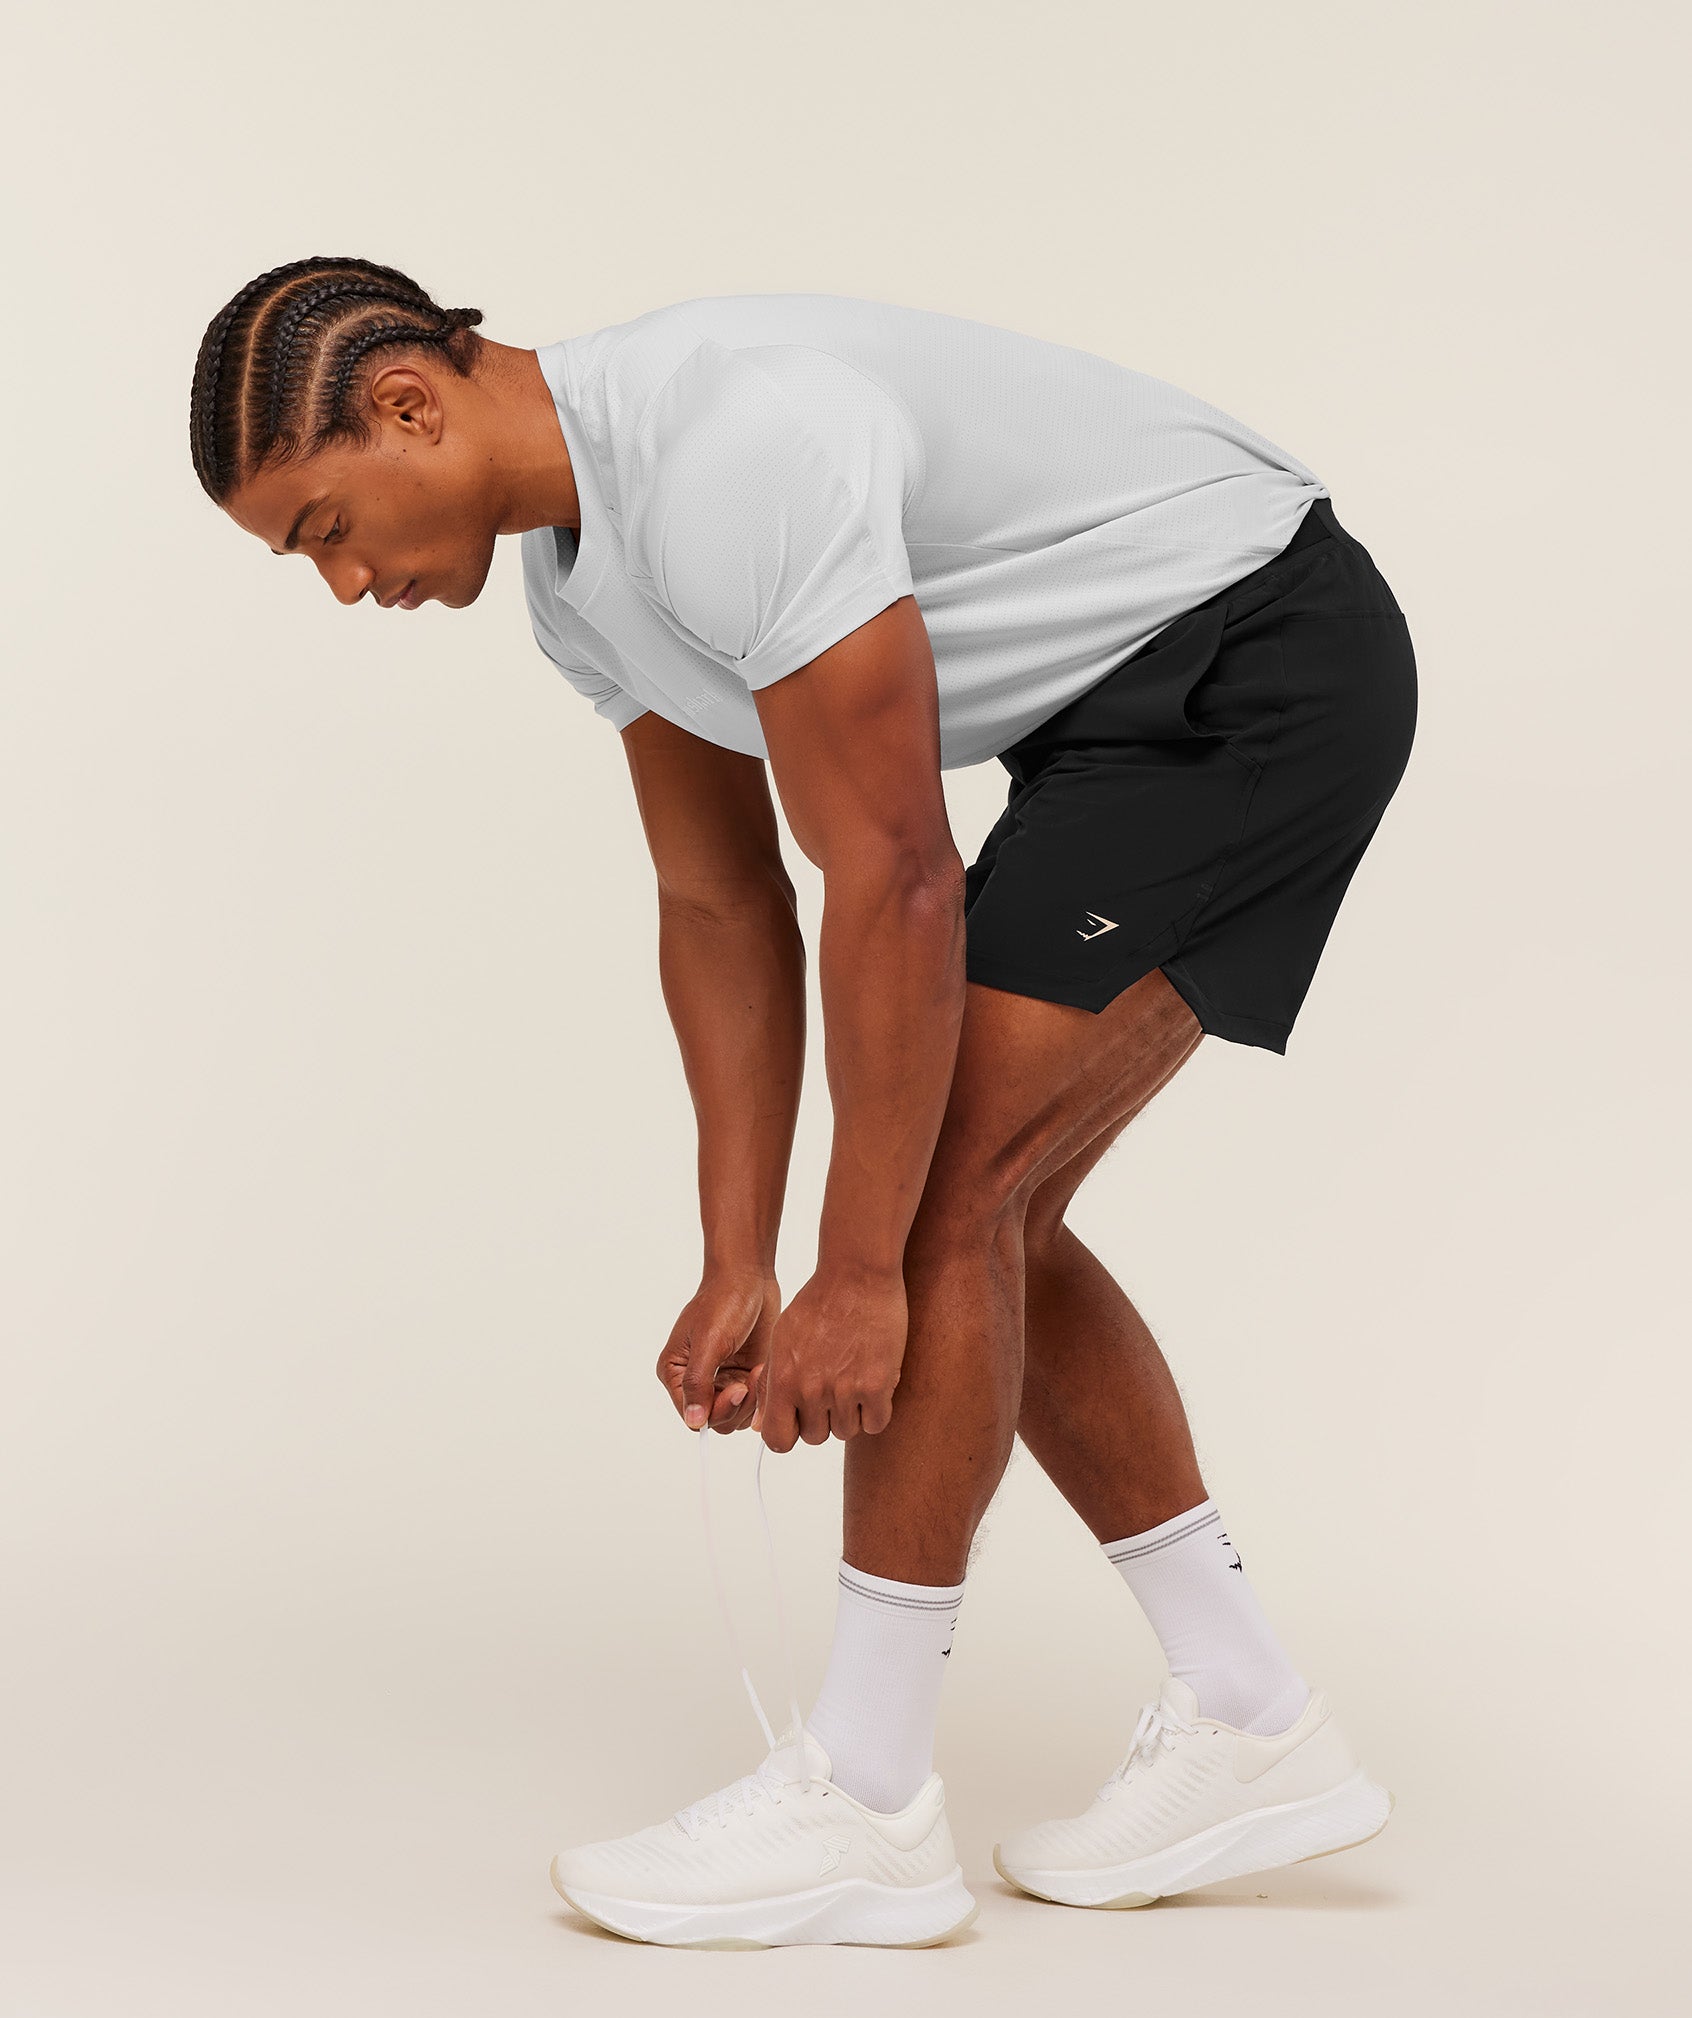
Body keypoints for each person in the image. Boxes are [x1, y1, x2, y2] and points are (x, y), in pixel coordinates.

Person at [191, 257, 1416, 1951]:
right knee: (975, 1200)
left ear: (409, 405)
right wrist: (742, 1257)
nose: (344, 583)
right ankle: (1250, 1710)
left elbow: (894, 872)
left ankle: (868, 1798)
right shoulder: (575, 581)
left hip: (1254, 659)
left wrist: (853, 1271)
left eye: (327, 528)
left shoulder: (726, 447)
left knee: (937, 1203)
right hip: (1113, 716)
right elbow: (721, 901)